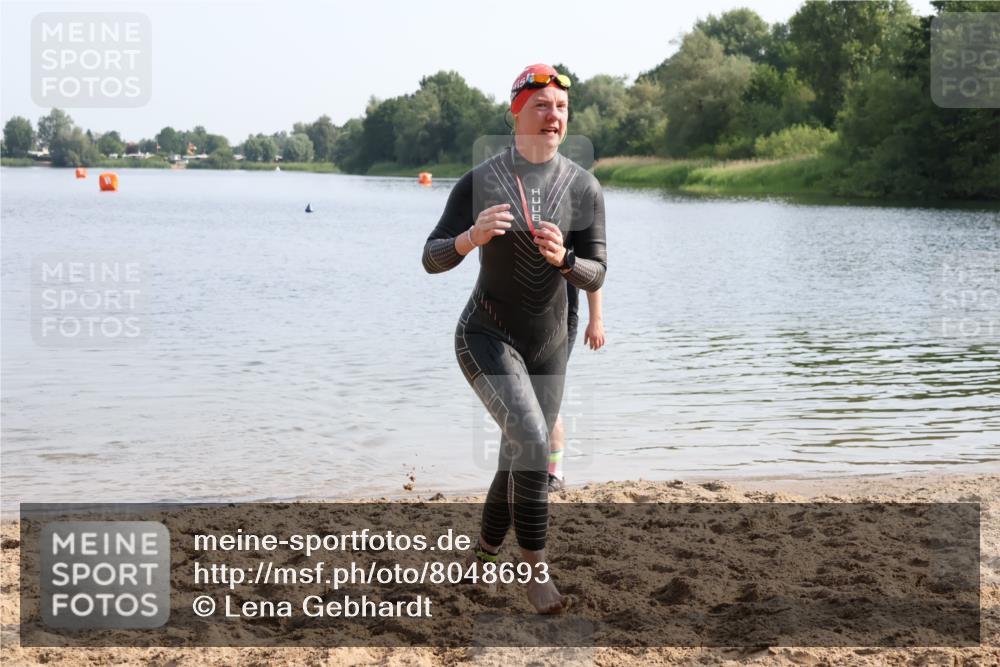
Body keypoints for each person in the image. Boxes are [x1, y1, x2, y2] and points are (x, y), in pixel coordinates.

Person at [422, 63, 606, 614]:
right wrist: (469, 238)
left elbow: (597, 272)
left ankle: (481, 557)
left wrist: (566, 260)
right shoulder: (480, 181)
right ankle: (535, 572)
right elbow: (430, 258)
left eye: (561, 108)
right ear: (516, 113)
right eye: (542, 106)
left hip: (552, 341)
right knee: (531, 438)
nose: (554, 116)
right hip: (485, 333)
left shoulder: (584, 187)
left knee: (516, 455)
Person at [547, 284, 604, 492]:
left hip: (561, 321)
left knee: (547, 398)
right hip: (522, 321)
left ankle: (555, 473)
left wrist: (596, 321)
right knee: (521, 397)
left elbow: (593, 275)